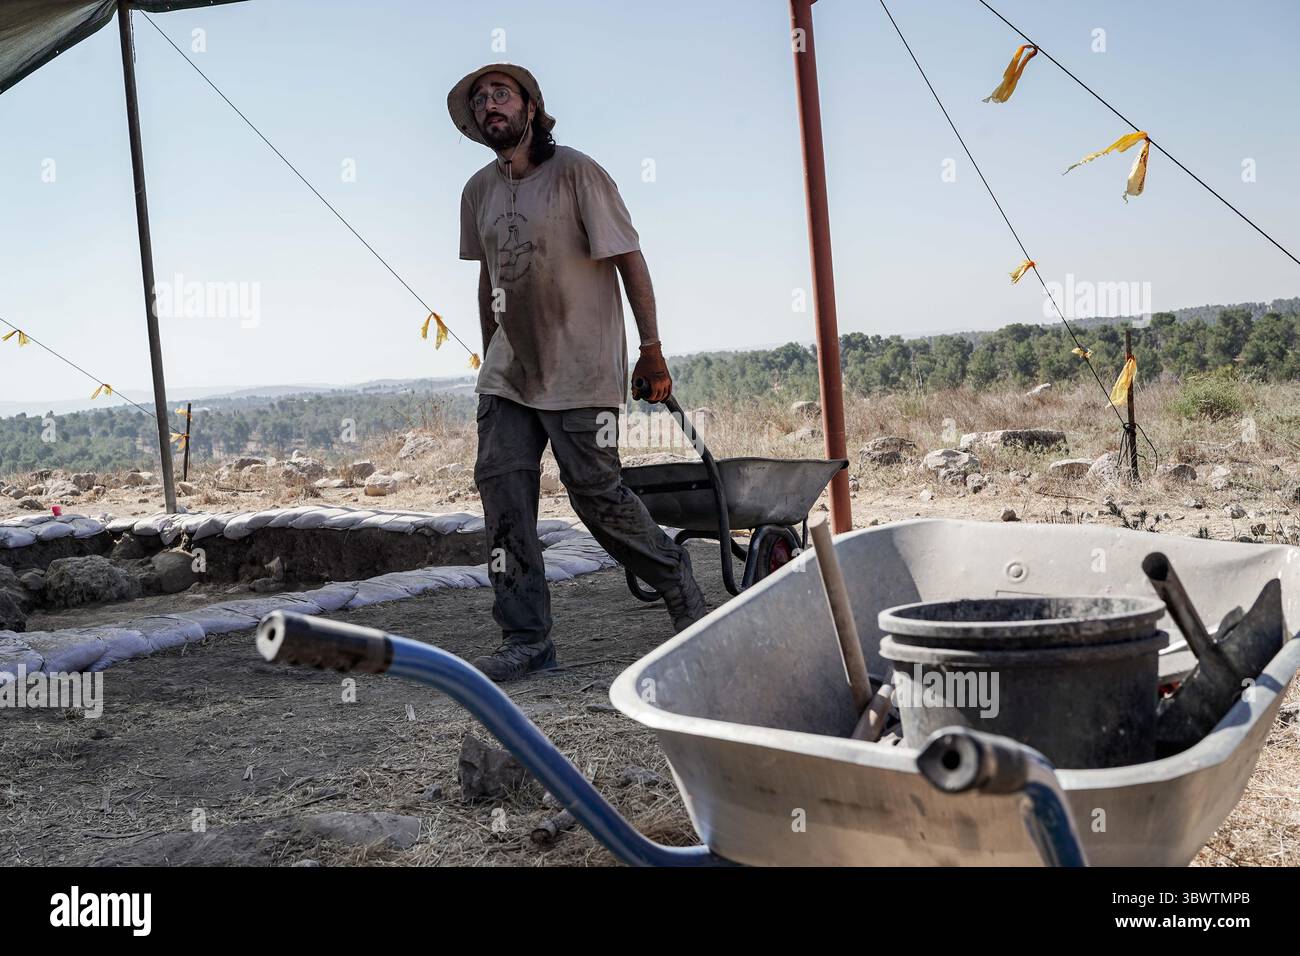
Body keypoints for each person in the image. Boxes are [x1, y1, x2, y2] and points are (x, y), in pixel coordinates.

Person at [448, 63, 707, 681]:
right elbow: (489, 276)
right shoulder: (477, 191)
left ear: (531, 108)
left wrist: (652, 348)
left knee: (595, 494)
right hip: (509, 371)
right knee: (503, 496)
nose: (491, 105)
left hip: (581, 364)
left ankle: (675, 580)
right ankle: (526, 638)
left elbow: (628, 259)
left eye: (501, 95)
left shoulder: (577, 174)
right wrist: (489, 349)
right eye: (481, 100)